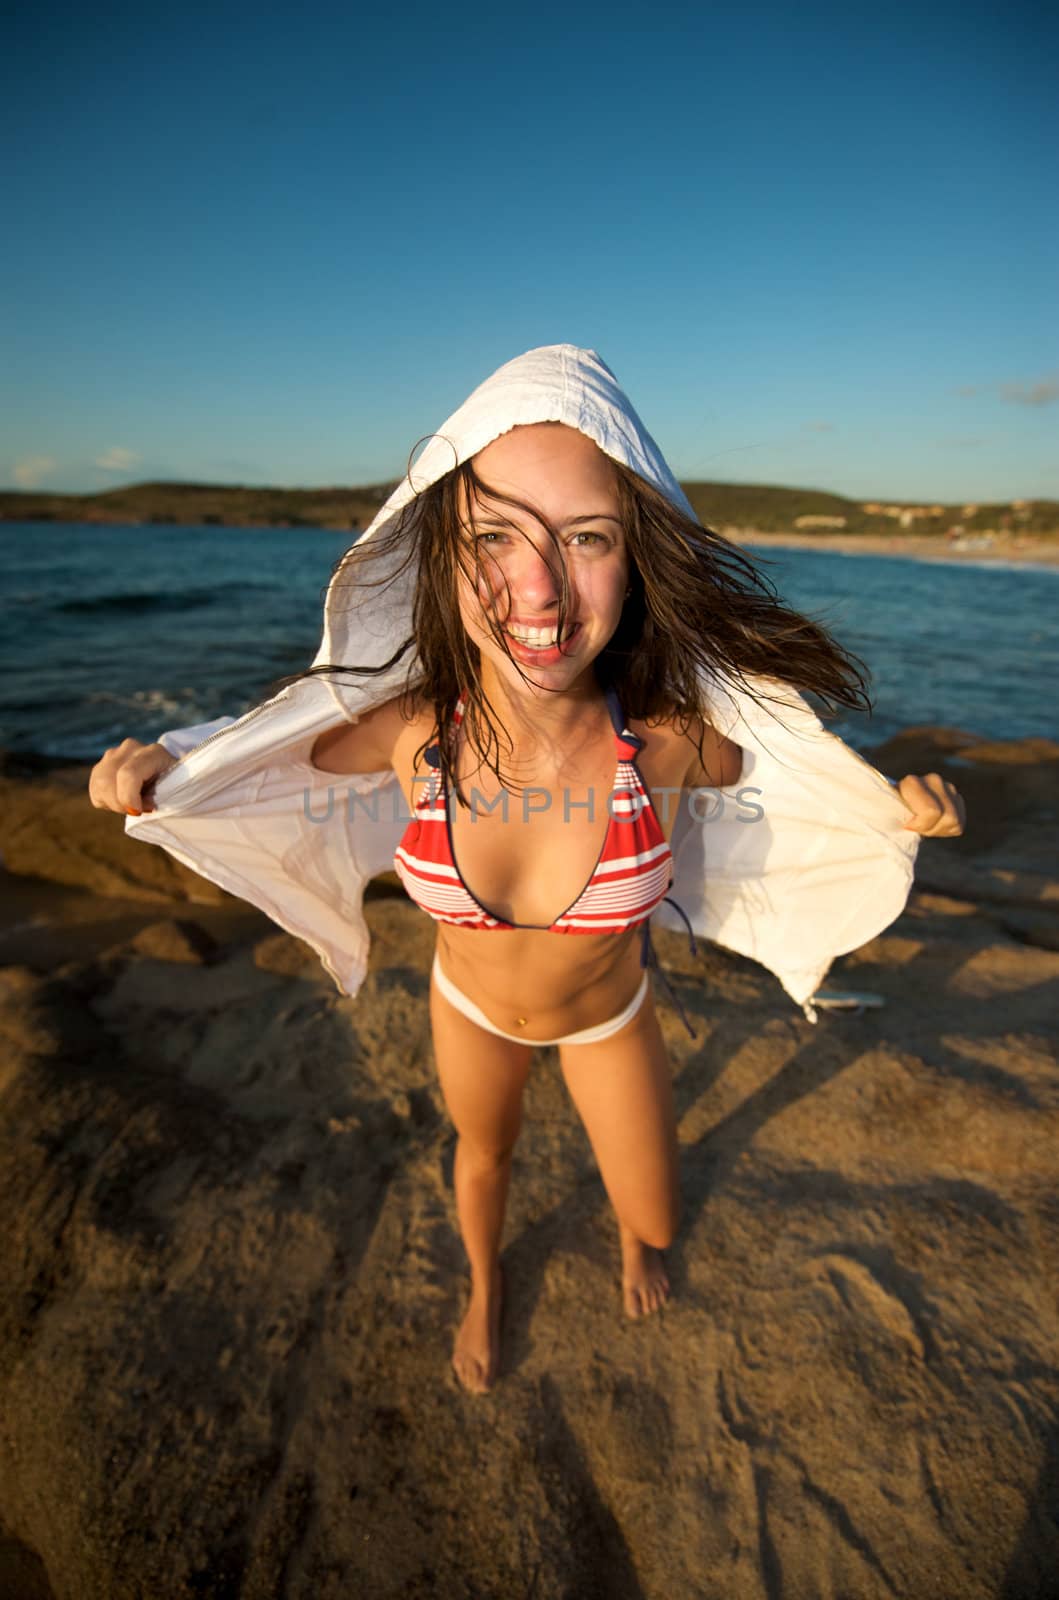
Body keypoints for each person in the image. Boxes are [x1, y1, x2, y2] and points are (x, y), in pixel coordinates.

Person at [88, 345, 965, 1393]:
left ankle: (634, 1243)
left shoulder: (669, 740)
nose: (538, 584)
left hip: (607, 1015)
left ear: (637, 559)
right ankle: (483, 1286)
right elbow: (264, 751)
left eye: (586, 536)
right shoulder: (418, 733)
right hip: (469, 1007)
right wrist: (161, 771)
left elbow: (798, 776)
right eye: (493, 535)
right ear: (439, 556)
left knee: (654, 1214)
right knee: (483, 1157)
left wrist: (892, 809)